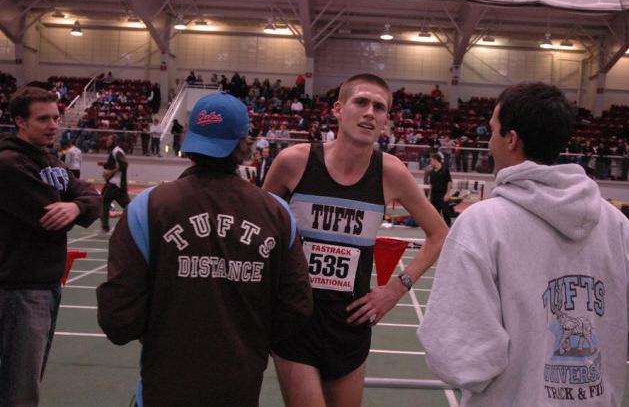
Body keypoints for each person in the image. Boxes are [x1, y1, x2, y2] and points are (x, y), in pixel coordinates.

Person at [418, 82, 629, 407]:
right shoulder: (614, 222)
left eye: (492, 131)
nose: (488, 141)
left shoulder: (481, 224)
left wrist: (523, 371)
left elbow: (457, 356)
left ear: (511, 138)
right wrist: (600, 348)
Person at [97, 92, 313, 407]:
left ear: (190, 140)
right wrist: (248, 336)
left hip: (163, 390)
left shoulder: (148, 207)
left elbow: (118, 319)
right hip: (239, 387)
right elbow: (297, 310)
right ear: (245, 143)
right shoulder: (277, 213)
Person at [262, 73, 447, 407]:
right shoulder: (293, 162)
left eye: (379, 107)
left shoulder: (391, 172)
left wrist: (395, 289)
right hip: (295, 318)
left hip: (351, 321)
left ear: (386, 120)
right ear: (338, 109)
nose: (370, 112)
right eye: (361, 102)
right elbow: (258, 228)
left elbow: (439, 235)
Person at [0, 87, 101, 406]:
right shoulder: (9, 165)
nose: (53, 125)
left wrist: (76, 207)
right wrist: (76, 206)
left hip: (45, 285)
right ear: (20, 121)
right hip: (19, 289)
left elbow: (92, 198)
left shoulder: (49, 160)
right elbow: (50, 214)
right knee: (19, 389)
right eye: (43, 119)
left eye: (56, 118)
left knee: (28, 379)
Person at [99, 134, 129, 233]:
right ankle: (105, 227)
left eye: (108, 140)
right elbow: (115, 164)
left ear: (113, 141)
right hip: (117, 185)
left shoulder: (116, 151)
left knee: (104, 202)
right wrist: (104, 164)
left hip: (115, 184)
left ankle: (105, 227)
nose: (106, 141)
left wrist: (110, 172)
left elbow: (124, 164)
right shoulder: (115, 151)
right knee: (129, 206)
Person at [427, 152, 453, 226]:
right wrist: (429, 196)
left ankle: (448, 226)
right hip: (434, 195)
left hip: (443, 194)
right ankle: (436, 227)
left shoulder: (445, 170)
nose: (430, 162)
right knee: (435, 212)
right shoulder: (432, 172)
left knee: (445, 212)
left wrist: (447, 194)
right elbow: (431, 185)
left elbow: (449, 182)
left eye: (431, 160)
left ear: (435, 160)